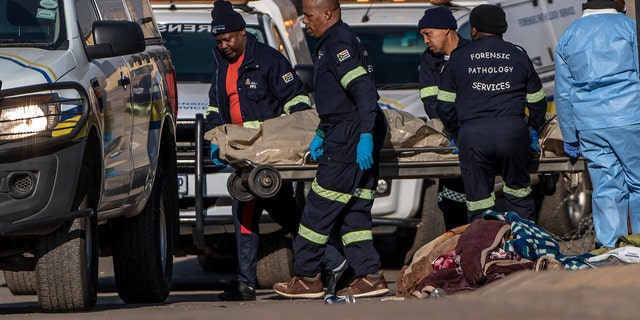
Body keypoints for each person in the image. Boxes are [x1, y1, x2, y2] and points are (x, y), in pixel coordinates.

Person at [205, 0, 346, 300]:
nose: (224, 45)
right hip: (243, 157)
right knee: (268, 214)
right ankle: (330, 263)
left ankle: (332, 263)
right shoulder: (220, 66)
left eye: (228, 39)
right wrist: (217, 139)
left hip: (270, 155)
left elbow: (297, 102)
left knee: (277, 214)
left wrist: (285, 137)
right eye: (218, 41)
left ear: (242, 33)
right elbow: (216, 107)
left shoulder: (269, 60)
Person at [272, 0, 389, 298]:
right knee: (354, 211)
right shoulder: (333, 42)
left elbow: (363, 90)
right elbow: (341, 98)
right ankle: (370, 275)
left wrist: (362, 135)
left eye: (309, 16)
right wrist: (322, 131)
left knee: (318, 208)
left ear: (328, 13)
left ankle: (308, 277)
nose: (304, 22)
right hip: (348, 128)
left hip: (350, 133)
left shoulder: (338, 44)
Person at [434, 4, 547, 222]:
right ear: (502, 28)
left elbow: (444, 106)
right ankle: (524, 245)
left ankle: (482, 248)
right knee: (518, 193)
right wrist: (534, 127)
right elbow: (537, 99)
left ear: (473, 30)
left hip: (473, 136)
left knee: (479, 201)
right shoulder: (518, 55)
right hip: (513, 134)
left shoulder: (458, 58)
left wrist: (456, 132)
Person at [554, 0, 640, 248]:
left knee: (606, 186)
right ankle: (637, 243)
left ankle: (610, 247)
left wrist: (569, 135)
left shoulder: (569, 35)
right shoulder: (629, 27)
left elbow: (563, 92)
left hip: (589, 124)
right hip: (630, 117)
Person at [417, 6, 470, 230]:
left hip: (475, 135)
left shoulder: (472, 52)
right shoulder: (429, 60)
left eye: (428, 34)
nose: (426, 40)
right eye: (423, 36)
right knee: (450, 200)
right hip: (449, 138)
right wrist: (451, 128)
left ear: (447, 30)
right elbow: (430, 102)